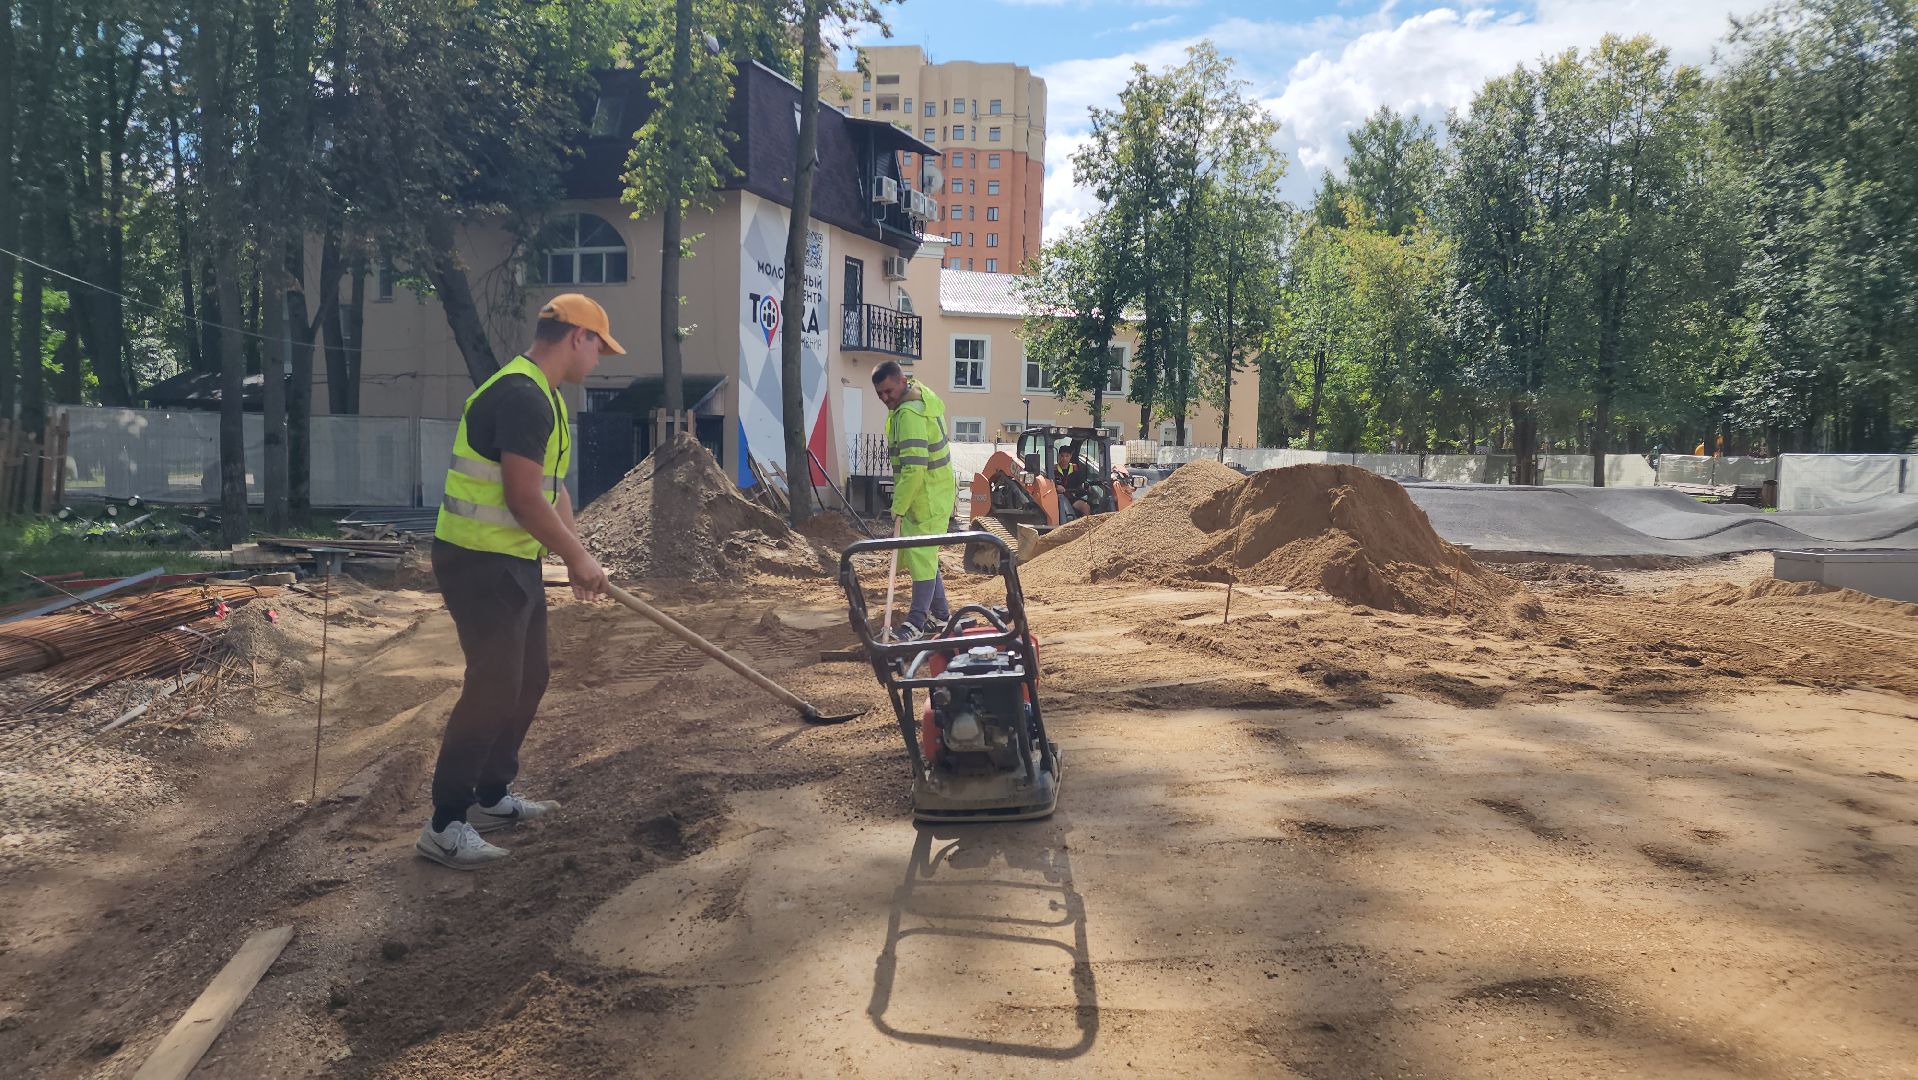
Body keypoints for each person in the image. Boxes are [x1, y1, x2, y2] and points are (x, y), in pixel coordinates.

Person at [416, 294, 617, 871]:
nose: (599, 359)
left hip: (513, 560)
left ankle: (489, 795)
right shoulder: (521, 395)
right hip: (478, 562)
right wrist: (575, 559)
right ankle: (445, 824)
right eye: (599, 345)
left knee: (529, 677)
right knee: (493, 685)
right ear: (577, 336)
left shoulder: (545, 397)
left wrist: (577, 554)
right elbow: (522, 495)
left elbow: (553, 490)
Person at [871, 359, 955, 641]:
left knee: (921, 555)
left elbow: (914, 467)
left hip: (926, 497)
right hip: (933, 492)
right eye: (880, 394)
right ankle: (941, 616)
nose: (885, 398)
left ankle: (916, 622)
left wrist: (899, 506)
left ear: (902, 382)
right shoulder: (920, 400)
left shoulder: (909, 415)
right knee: (925, 556)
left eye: (888, 391)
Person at [1054, 444, 1093, 520]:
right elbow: (1048, 482)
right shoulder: (1053, 469)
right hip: (1056, 498)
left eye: (1067, 456)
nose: (1064, 458)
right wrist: (1056, 486)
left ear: (1070, 456)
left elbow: (1081, 481)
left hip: (1071, 497)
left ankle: (1087, 529)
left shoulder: (1075, 468)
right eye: (1062, 456)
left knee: (1086, 507)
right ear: (1058, 456)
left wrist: (1085, 485)